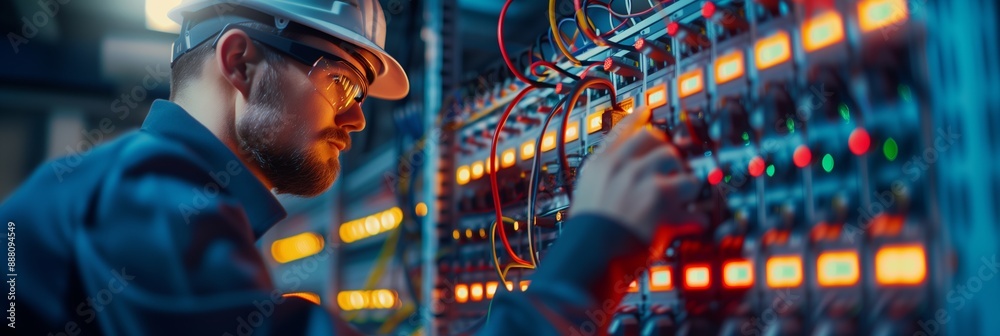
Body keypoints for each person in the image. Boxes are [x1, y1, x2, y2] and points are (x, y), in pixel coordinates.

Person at [0, 0, 701, 334]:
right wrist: (597, 246)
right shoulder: (149, 203)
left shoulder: (125, 191)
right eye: (342, 83)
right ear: (239, 62)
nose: (359, 118)